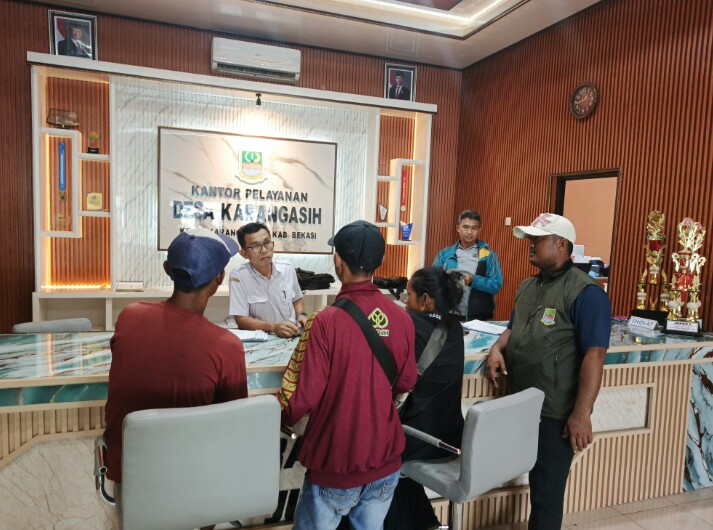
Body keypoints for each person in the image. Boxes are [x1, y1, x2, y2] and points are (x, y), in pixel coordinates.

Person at [278, 220, 417, 530]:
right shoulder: (402, 317)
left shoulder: (325, 322)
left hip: (336, 462)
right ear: (379, 262)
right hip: (385, 460)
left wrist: (276, 417)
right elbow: (406, 381)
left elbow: (301, 398)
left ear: (338, 261)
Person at [486, 213, 611, 530]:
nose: (530, 245)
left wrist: (581, 414)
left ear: (561, 244)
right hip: (521, 403)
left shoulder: (586, 292)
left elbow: (595, 355)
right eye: (530, 239)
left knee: (547, 495)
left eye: (538, 239)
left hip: (555, 412)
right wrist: (497, 348)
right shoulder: (528, 285)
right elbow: (513, 328)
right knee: (529, 481)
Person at [104, 227, 248, 486]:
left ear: (167, 269)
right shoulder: (227, 346)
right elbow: (233, 425)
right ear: (219, 277)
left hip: (128, 476)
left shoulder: (129, 316)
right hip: (194, 482)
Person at [383, 266, 465, 530]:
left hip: (420, 438)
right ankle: (425, 523)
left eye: (409, 295)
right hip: (451, 436)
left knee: (375, 454)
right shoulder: (456, 328)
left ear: (425, 299)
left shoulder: (408, 326)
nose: (406, 302)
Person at [229, 222, 308, 338]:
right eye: (256, 246)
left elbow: (297, 299)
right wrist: (274, 327)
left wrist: (302, 314)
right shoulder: (238, 276)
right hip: (263, 338)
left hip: (293, 334)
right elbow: (241, 319)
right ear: (244, 253)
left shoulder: (287, 269)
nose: (264, 250)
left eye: (267, 243)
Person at [433, 210, 503, 321]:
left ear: (479, 230)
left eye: (474, 228)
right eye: (465, 227)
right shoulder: (445, 254)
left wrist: (472, 280)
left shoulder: (489, 255)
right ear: (458, 228)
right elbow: (433, 280)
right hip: (448, 313)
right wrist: (446, 277)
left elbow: (496, 285)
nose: (469, 232)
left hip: (478, 316)